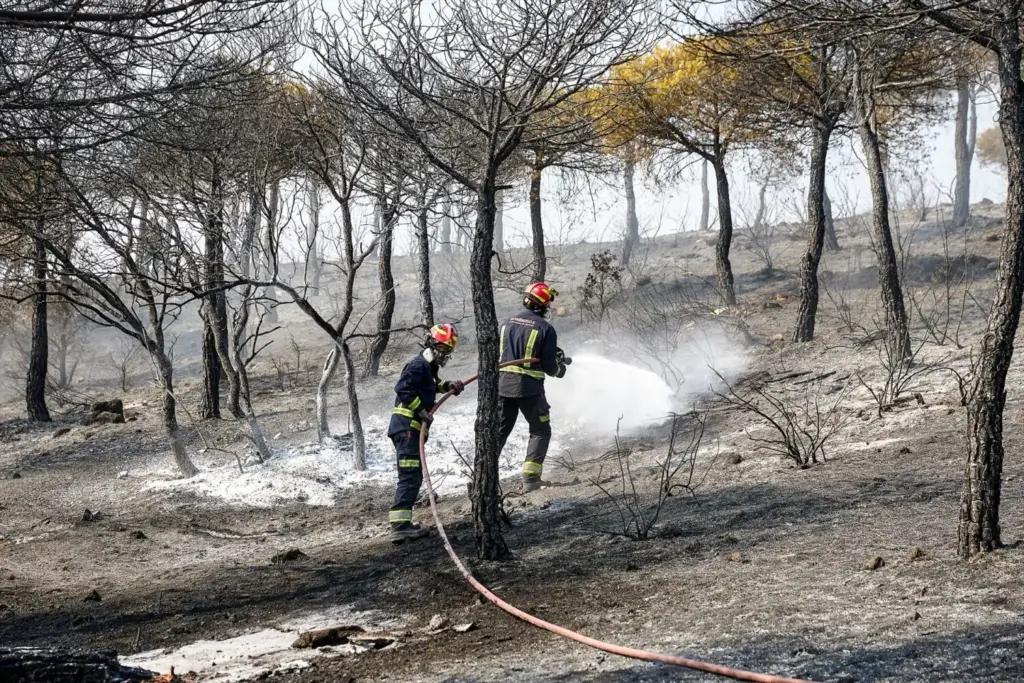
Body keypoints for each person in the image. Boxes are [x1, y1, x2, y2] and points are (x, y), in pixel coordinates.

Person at [388, 323, 465, 541]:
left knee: (413, 476)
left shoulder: (428, 368)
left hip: (408, 430)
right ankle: (400, 526)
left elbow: (433, 385)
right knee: (410, 476)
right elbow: (402, 388)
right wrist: (420, 410)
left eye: (446, 351)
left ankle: (401, 523)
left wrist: (449, 385)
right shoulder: (418, 365)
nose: (443, 355)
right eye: (441, 349)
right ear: (431, 344)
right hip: (407, 429)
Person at [498, 282, 571, 492]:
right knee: (540, 431)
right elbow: (549, 367)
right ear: (543, 306)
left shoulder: (505, 323)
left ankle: (484, 477)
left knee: (499, 433)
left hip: (502, 386)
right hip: (529, 389)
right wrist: (560, 370)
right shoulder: (545, 328)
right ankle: (531, 479)